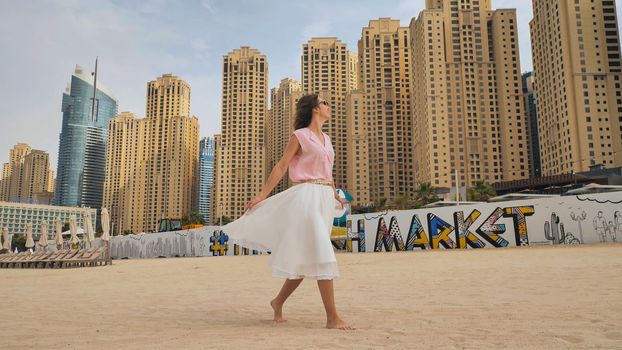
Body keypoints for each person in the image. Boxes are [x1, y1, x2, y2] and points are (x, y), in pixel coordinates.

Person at [221, 94, 354, 330]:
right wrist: (262, 195)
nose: (328, 106)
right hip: (306, 197)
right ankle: (332, 318)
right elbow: (282, 165)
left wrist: (334, 193)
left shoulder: (328, 139)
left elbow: (328, 172)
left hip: (324, 198)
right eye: (325, 103)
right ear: (315, 109)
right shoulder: (300, 136)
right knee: (322, 252)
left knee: (302, 258)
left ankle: (277, 302)